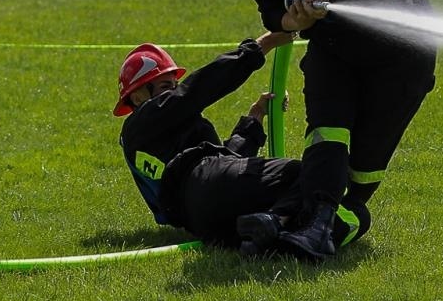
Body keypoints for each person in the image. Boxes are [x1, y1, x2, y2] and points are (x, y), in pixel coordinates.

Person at [248, 0, 436, 261]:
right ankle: (310, 218)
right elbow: (268, 6)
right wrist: (289, 17)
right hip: (336, 49)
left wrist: (334, 1)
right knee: (327, 130)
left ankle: (337, 222)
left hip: (400, 57)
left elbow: (397, 6)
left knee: (365, 163)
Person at [115, 34, 370, 258]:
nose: (173, 91)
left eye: (174, 85)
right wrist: (260, 46)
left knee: (337, 210)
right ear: (137, 96)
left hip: (207, 222)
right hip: (208, 187)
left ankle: (271, 236)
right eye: (165, 86)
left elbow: (225, 169)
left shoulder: (153, 137)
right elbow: (198, 90)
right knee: (309, 176)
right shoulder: (140, 124)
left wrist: (254, 120)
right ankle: (278, 221)